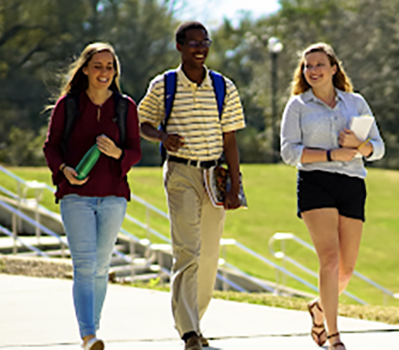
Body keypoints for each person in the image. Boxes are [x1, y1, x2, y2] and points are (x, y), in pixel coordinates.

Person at [137, 21, 245, 350]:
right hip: (181, 174)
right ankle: (189, 333)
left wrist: (235, 186)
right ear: (179, 46)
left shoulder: (224, 87)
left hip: (215, 176)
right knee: (187, 251)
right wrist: (161, 137)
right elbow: (143, 122)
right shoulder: (164, 85)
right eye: (193, 42)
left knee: (210, 254)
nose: (200, 48)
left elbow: (231, 140)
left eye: (204, 42)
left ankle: (195, 321)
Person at [280, 42, 385, 350]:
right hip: (315, 183)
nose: (312, 70)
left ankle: (319, 310)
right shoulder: (297, 106)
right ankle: (334, 336)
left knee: (346, 270)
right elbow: (289, 153)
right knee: (329, 259)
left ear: (334, 68)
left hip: (352, 184)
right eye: (307, 66)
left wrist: (360, 145)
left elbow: (378, 148)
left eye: (319, 64)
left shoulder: (356, 103)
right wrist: (331, 153)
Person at [43, 42, 142, 350]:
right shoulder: (68, 105)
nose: (104, 72)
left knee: (101, 266)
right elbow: (51, 146)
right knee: (85, 264)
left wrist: (117, 153)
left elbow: (136, 151)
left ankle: (92, 330)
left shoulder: (125, 106)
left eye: (109, 67)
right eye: (98, 66)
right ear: (85, 69)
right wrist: (63, 169)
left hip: (113, 196)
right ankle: (88, 335)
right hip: (76, 195)